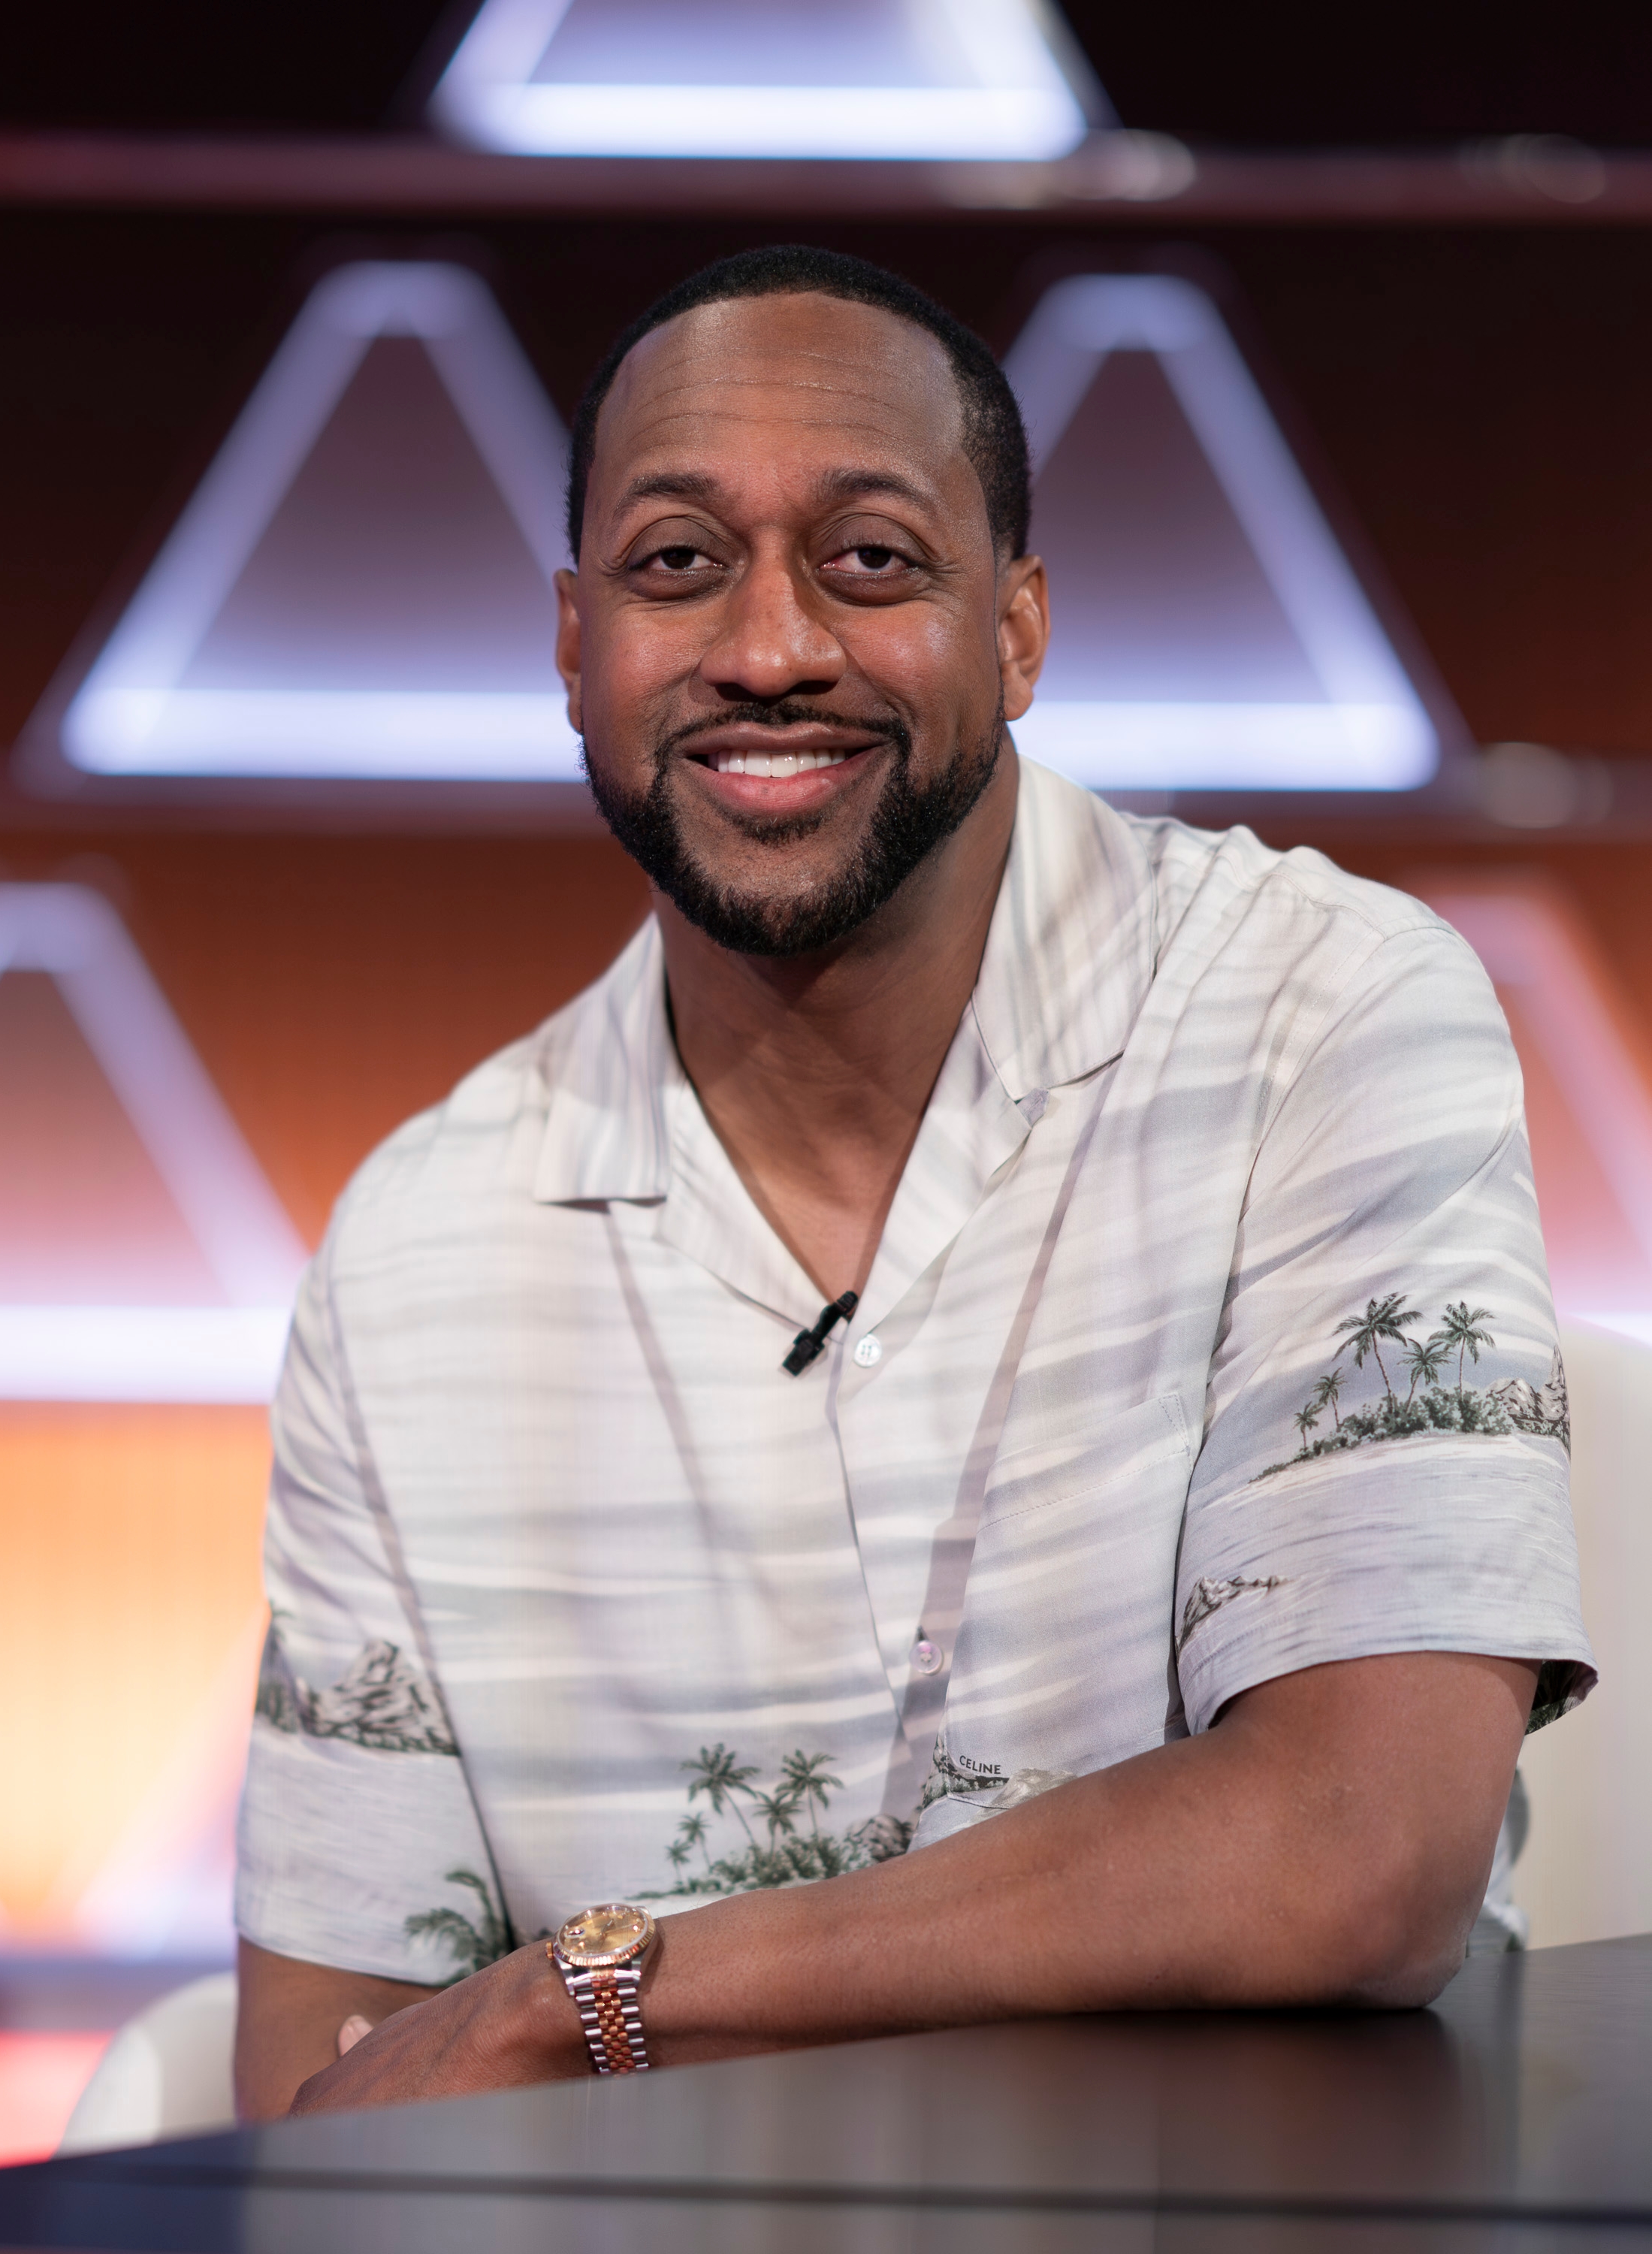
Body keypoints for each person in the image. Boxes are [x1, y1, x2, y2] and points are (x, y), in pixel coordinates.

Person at [233, 246, 1592, 2121]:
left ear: (1018, 629)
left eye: (869, 560)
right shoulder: (414, 1247)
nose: (770, 646)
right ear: (571, 645)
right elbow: (335, 2083)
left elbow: (1360, 1858)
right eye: (674, 563)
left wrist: (596, 1998)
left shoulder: (1320, 1011)